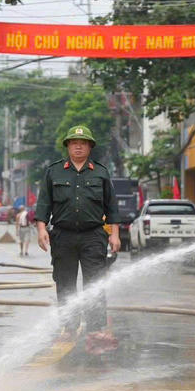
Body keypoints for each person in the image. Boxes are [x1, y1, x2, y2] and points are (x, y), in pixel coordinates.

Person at [35, 125, 121, 344]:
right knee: (65, 283)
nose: (79, 146)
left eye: (83, 143)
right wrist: (42, 229)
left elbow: (111, 206)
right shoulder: (54, 172)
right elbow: (44, 203)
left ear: (90, 147)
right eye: (74, 143)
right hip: (63, 235)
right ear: (68, 146)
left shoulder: (101, 172)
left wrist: (115, 235)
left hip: (93, 235)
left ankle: (95, 327)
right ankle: (69, 326)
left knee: (95, 282)